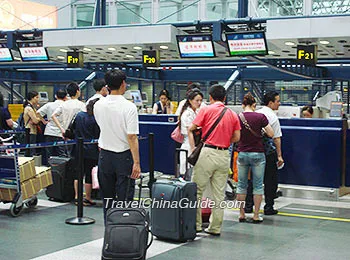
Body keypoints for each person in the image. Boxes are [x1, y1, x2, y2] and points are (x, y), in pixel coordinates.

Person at [188, 84, 241, 236]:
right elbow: (237, 137)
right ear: (225, 98)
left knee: (197, 191)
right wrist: (224, 140)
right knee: (219, 194)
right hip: (224, 155)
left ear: (210, 97)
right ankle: (215, 227)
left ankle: (197, 225)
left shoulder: (206, 110)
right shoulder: (232, 114)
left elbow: (192, 127)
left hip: (207, 153)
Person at [94, 69, 141, 222]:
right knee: (124, 199)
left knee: (107, 199)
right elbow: (132, 136)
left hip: (104, 156)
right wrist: (137, 163)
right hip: (123, 157)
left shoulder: (98, 105)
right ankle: (123, 232)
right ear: (122, 84)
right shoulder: (129, 107)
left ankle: (110, 230)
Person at [236, 93, 274, 223]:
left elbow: (235, 136)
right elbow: (271, 133)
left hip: (242, 153)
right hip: (258, 153)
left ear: (242, 105)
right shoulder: (260, 117)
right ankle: (256, 215)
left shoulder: (238, 117)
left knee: (241, 185)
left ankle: (241, 214)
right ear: (254, 105)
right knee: (258, 185)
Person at [246, 91, 284, 215]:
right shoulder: (272, 117)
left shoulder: (256, 113)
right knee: (270, 180)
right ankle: (268, 207)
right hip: (267, 153)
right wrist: (279, 155)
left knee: (253, 180)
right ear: (271, 103)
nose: (279, 103)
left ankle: (248, 206)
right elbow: (276, 138)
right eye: (277, 101)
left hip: (252, 151)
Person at [73, 98, 100, 206]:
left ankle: (77, 197)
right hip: (91, 150)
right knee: (89, 174)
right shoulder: (95, 119)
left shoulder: (79, 115)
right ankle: (87, 198)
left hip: (78, 148)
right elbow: (98, 134)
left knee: (78, 173)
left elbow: (73, 129)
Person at [178, 89, 203, 177]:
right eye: (197, 100)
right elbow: (190, 132)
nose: (199, 103)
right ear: (190, 101)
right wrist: (193, 149)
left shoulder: (196, 112)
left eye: (200, 100)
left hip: (195, 144)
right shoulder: (187, 114)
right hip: (189, 144)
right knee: (187, 172)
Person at [37, 89, 68, 158]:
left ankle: (49, 168)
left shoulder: (49, 105)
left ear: (55, 96)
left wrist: (44, 121)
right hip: (61, 132)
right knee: (62, 153)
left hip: (49, 131)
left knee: (49, 154)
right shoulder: (66, 105)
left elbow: (38, 113)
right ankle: (61, 168)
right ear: (65, 96)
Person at [23, 91, 42, 155]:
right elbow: (35, 120)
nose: (38, 99)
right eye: (36, 97)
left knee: (31, 150)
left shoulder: (32, 107)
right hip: (30, 131)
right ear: (32, 98)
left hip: (33, 130)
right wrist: (39, 119)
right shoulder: (29, 108)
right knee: (30, 151)